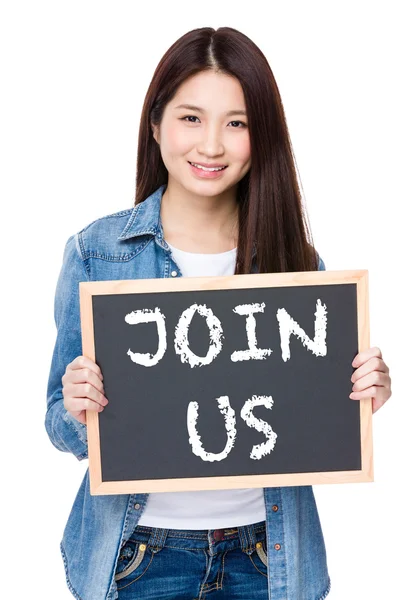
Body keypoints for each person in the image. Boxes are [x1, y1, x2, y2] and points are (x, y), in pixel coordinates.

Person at [45, 26, 392, 600]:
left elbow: (312, 415)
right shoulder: (96, 254)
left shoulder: (296, 263)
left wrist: (361, 393)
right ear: (155, 124)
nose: (211, 145)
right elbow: (58, 421)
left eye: (237, 123)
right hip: (138, 558)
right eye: (190, 118)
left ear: (262, 137)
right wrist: (78, 409)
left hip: (267, 555)